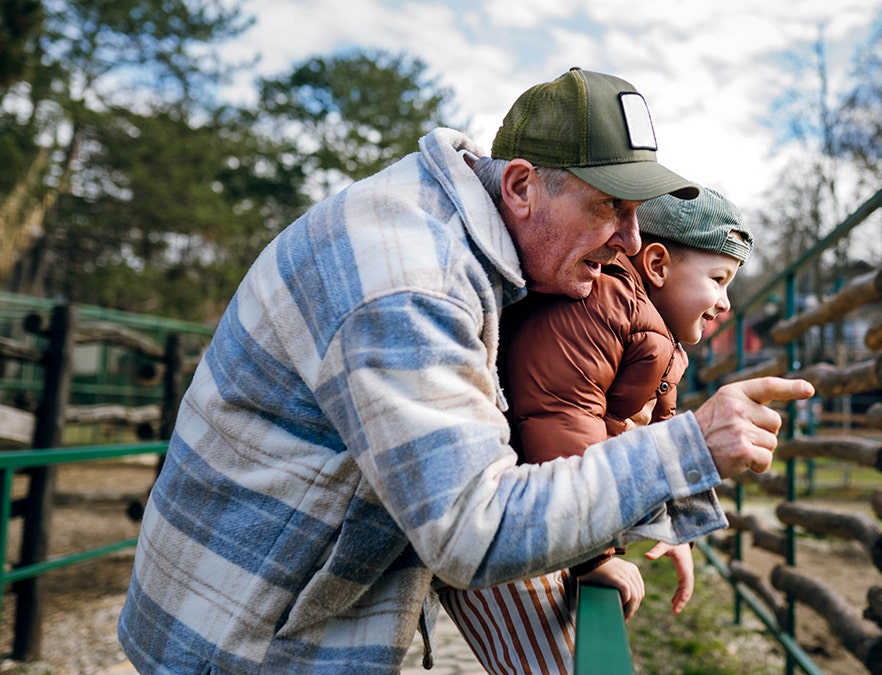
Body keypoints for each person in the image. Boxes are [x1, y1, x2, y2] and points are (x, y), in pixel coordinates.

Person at [117, 66, 814, 672]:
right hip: (239, 639)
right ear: (519, 187)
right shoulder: (412, 285)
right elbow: (470, 528)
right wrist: (686, 449)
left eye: (637, 214)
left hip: (279, 601)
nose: (632, 241)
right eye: (609, 207)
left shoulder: (465, 237)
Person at [439, 187, 753, 674]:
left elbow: (660, 433)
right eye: (718, 279)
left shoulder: (656, 335)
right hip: (502, 505)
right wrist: (594, 556)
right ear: (658, 265)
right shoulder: (600, 302)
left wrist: (680, 528)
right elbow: (560, 418)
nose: (725, 303)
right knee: (563, 663)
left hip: (542, 507)